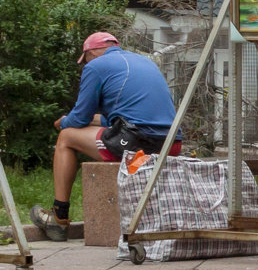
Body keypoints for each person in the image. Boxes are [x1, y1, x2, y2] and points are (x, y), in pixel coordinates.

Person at [30, 32, 179, 241]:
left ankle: (58, 218)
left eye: (85, 60)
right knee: (82, 129)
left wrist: (62, 122)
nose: (85, 65)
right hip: (171, 146)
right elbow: (123, 118)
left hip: (137, 149)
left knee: (66, 137)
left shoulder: (95, 66)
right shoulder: (144, 62)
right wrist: (92, 119)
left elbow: (79, 118)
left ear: (90, 53)